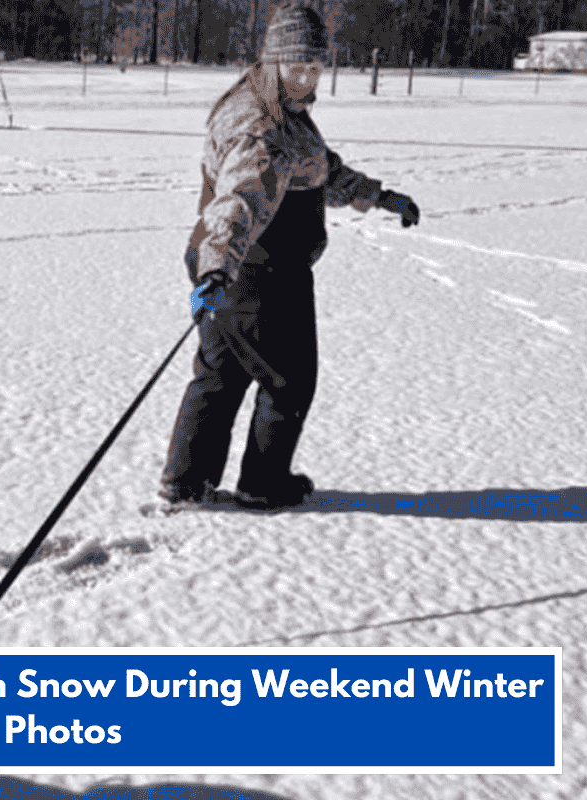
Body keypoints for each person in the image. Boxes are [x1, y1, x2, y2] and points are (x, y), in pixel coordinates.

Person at [159, 1, 420, 511]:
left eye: (316, 66)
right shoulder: (261, 127)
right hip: (256, 271)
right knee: (289, 379)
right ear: (274, 62)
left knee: (220, 374)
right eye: (298, 66)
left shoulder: (278, 110)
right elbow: (238, 201)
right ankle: (263, 483)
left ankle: (186, 480)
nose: (308, 77)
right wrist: (217, 267)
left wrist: (378, 196)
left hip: (235, 268)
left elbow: (321, 170)